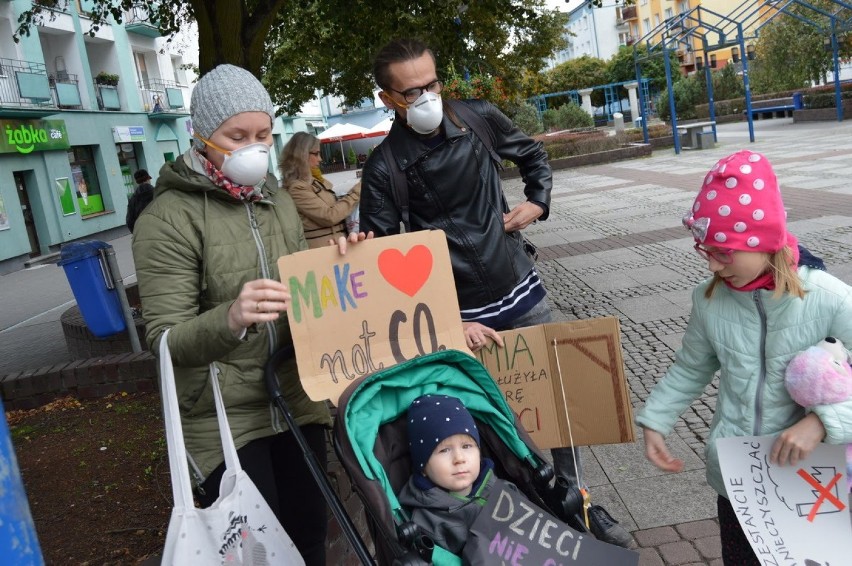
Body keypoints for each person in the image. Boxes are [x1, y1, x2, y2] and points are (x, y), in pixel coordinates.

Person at [359, 37, 634, 548]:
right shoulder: (384, 167)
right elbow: (377, 265)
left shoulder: (479, 119)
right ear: (388, 99)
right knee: (487, 422)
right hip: (461, 316)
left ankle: (578, 504)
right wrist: (361, 248)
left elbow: (532, 154)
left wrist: (538, 202)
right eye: (411, 91)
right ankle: (512, 517)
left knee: (555, 411)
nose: (426, 97)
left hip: (520, 290)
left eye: (432, 83)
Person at [132, 64, 367, 566]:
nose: (254, 147)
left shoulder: (279, 201)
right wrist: (232, 318)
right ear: (200, 136)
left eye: (263, 133)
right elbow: (165, 341)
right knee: (258, 553)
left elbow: (306, 292)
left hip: (292, 398)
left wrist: (342, 266)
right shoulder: (168, 218)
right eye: (236, 136)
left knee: (308, 536)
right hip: (222, 417)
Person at [635, 149, 852, 565]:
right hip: (741, 477)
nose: (714, 265)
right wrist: (656, 420)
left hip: (812, 475)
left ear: (766, 240)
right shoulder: (709, 299)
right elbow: (691, 366)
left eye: (724, 251)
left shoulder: (828, 297)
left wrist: (821, 423)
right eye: (705, 251)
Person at [279, 132, 361, 248]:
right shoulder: (297, 188)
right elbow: (329, 216)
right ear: (302, 155)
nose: (320, 159)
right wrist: (358, 191)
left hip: (336, 244)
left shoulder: (312, 182)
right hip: (323, 249)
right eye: (316, 154)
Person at [125, 169, 154, 233]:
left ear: (137, 182)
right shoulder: (157, 193)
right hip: (161, 233)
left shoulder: (133, 199)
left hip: (143, 234)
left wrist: (137, 234)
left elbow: (130, 221)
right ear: (148, 179)